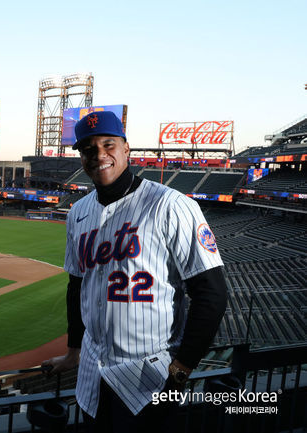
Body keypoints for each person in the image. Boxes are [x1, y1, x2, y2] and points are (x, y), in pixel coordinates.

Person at [42, 111, 227, 433]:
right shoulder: (78, 212)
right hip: (90, 376)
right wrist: (73, 351)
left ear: (126, 149)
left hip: (151, 376)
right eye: (88, 149)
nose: (99, 155)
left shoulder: (170, 205)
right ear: (81, 157)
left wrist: (182, 368)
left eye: (108, 144)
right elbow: (76, 284)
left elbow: (211, 291)